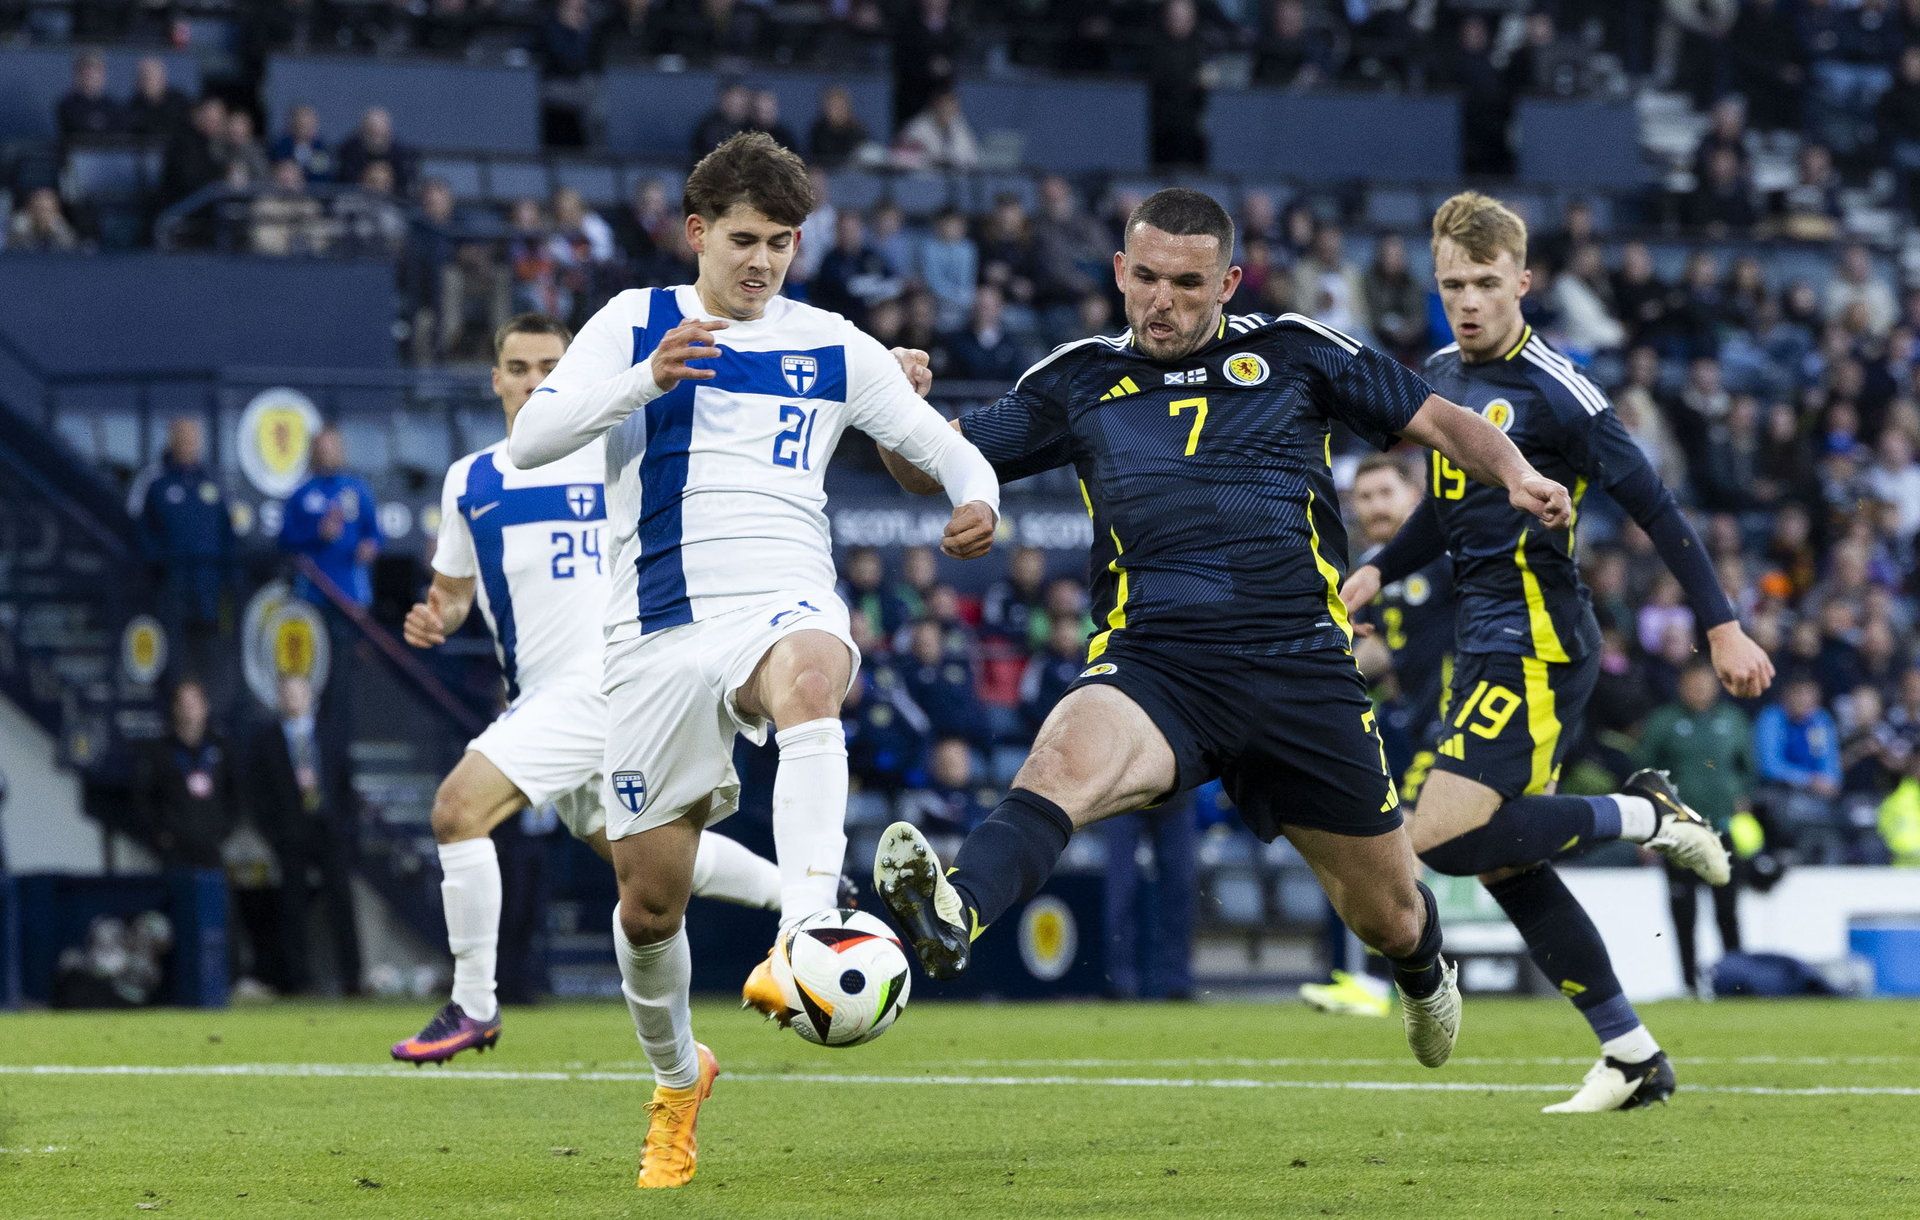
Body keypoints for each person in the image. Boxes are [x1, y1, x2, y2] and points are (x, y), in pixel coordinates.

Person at [875, 187, 1576, 1072]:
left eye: (1187, 282)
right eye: (1146, 278)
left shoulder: (1297, 352)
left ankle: (1424, 969)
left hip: (1302, 670)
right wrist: (902, 414)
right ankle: (955, 912)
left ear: (1228, 283)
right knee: (1061, 762)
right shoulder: (1076, 380)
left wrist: (1515, 474)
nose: (1161, 300)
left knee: (1389, 915)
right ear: (1120, 271)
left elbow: (1442, 420)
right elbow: (925, 466)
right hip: (1158, 663)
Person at [505, 132, 1001, 1189]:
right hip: (654, 632)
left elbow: (941, 440)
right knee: (649, 902)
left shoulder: (833, 344)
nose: (763, 260)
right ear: (696, 233)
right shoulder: (636, 321)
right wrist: (643, 379)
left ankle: (807, 920)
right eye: (743, 239)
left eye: (782, 241)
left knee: (814, 672)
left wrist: (981, 499)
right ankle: (680, 1078)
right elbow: (530, 442)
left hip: (784, 599)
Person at [1343, 192, 1776, 1113]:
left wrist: (1722, 623)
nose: (1469, 301)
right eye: (1454, 284)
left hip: (1538, 643)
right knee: (1501, 859)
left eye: (1487, 284)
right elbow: (1447, 510)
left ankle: (1643, 814)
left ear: (1524, 284)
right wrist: (1378, 567)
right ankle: (1631, 1054)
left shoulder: (1561, 391)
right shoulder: (1437, 377)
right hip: (1487, 636)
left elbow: (1656, 505)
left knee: (1438, 839)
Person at [390, 314, 784, 1064]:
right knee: (648, 861)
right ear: (497, 379)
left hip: (607, 681)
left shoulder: (615, 451)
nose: (535, 380)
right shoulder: (470, 480)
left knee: (456, 809)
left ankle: (474, 1003)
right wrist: (436, 616)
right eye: (519, 367)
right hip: (544, 695)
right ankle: (809, 894)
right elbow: (454, 592)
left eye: (550, 365)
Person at [1300, 450, 1454, 1019]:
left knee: (1398, 851)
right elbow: (1382, 653)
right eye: (1364, 497)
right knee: (1383, 852)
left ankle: (1391, 982)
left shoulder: (1441, 558)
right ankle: (1390, 977)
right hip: (1406, 724)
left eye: (1386, 494)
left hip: (1455, 721)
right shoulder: (1366, 571)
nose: (1374, 507)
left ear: (1415, 499)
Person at [1636, 660, 1753, 995]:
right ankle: (1689, 984)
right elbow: (1645, 774)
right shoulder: (1664, 722)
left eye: (1707, 683)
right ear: (1682, 685)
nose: (1701, 689)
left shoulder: (1732, 720)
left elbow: (1747, 769)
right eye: (1694, 683)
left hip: (1722, 831)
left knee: (1727, 909)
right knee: (1684, 913)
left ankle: (1737, 982)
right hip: (1678, 834)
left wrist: (1741, 794)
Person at [243, 675, 362, 997]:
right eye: (287, 693)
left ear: (311, 695)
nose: (294, 699)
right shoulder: (266, 740)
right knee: (292, 906)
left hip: (328, 831)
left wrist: (343, 823)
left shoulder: (329, 734)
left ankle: (353, 977)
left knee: (342, 903)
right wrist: (275, 833)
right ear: (279, 698)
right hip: (291, 834)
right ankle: (298, 980)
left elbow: (344, 783)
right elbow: (257, 794)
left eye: (299, 692)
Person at [133, 417, 234, 692]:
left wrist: (226, 580)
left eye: (194, 438)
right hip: (171, 589)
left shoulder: (213, 482)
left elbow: (228, 534)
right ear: (172, 440)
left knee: (209, 663)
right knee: (173, 663)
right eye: (184, 437)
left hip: (208, 592)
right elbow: (142, 532)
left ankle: (208, 721)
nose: (190, 444)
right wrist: (161, 568)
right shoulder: (156, 482)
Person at [279, 425, 381, 610]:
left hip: (351, 591)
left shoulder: (357, 490)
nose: (326, 453)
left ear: (341, 450)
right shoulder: (301, 493)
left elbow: (374, 532)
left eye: (331, 448)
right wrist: (318, 534)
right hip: (312, 592)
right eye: (321, 448)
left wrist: (370, 545)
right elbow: (285, 539)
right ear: (312, 452)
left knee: (351, 638)